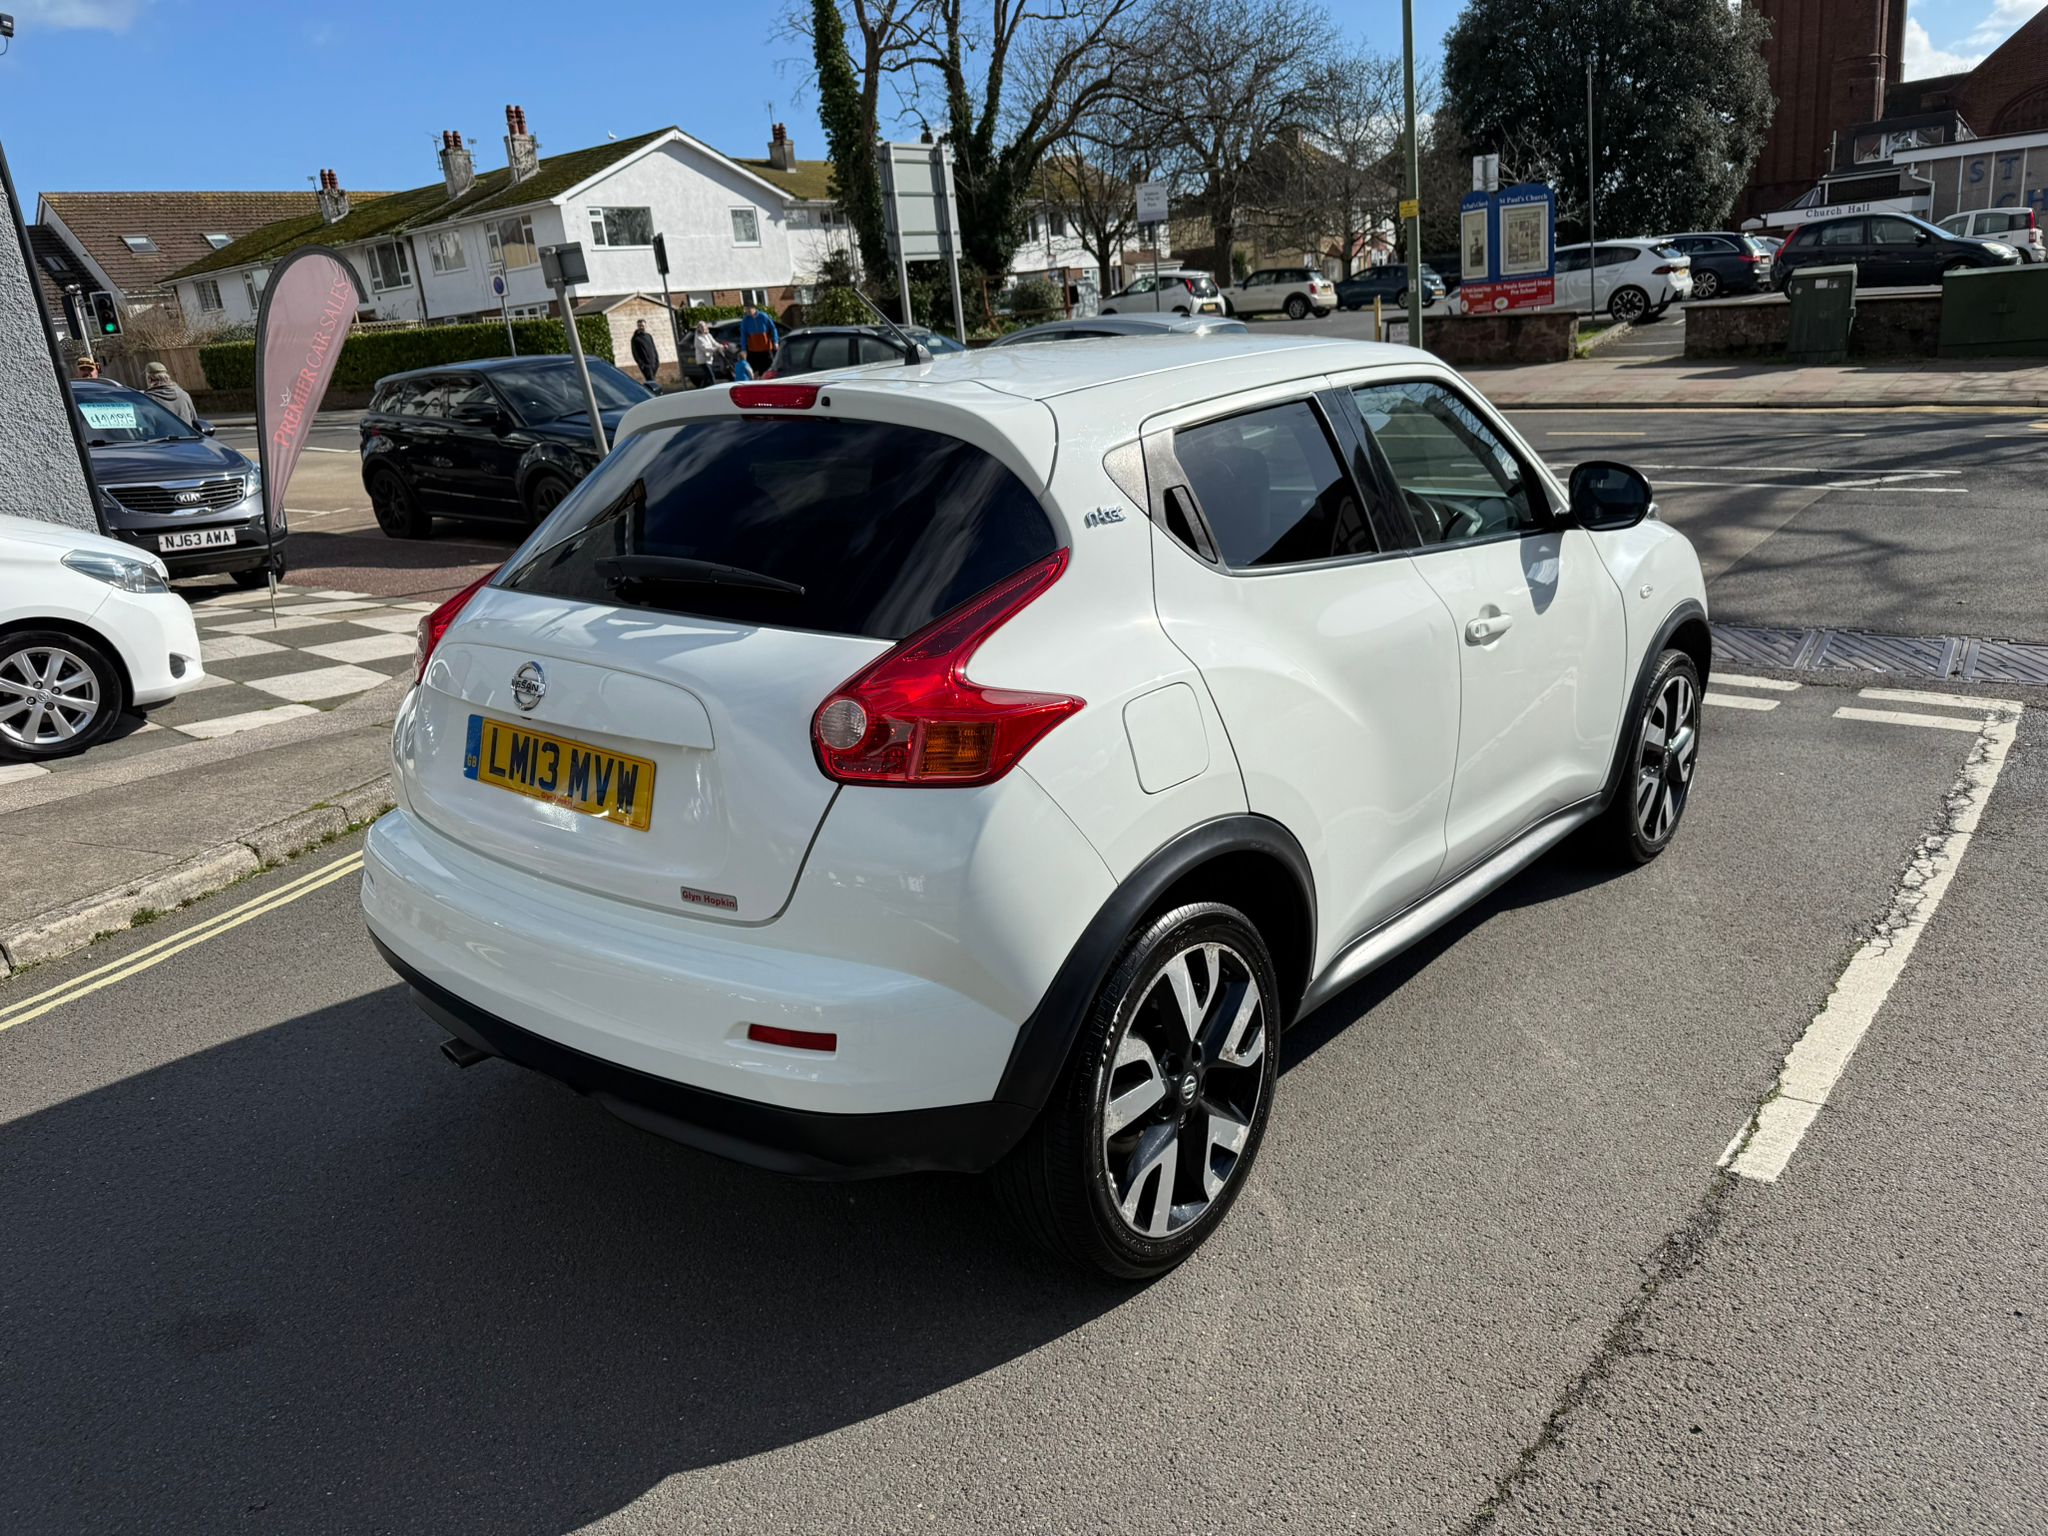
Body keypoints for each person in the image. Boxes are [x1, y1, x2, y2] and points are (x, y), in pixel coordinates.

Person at [143, 361, 199, 428]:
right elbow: (195, 422)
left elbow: (147, 427)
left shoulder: (148, 399)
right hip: (188, 437)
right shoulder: (184, 395)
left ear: (149, 379)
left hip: (161, 438)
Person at [737, 302, 778, 377]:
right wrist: (744, 349)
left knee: (768, 368)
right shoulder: (745, 320)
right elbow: (743, 335)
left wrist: (775, 341)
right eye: (746, 309)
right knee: (755, 370)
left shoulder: (763, 316)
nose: (747, 311)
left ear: (754, 308)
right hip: (753, 349)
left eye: (749, 309)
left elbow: (773, 329)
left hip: (766, 348)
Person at [688, 320, 722, 388]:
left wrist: (721, 346)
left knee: (707, 376)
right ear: (699, 328)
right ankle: (714, 388)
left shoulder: (708, 335)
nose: (703, 328)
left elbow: (714, 342)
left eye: (704, 327)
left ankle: (702, 387)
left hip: (709, 359)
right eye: (701, 327)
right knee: (711, 375)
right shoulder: (698, 338)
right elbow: (705, 348)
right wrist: (715, 349)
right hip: (702, 360)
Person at [629, 318, 660, 388]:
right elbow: (635, 354)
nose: (641, 327)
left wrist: (657, 361)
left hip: (654, 363)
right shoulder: (635, 339)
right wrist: (642, 364)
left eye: (642, 325)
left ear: (645, 326)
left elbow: (654, 348)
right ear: (637, 326)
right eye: (639, 326)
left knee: (652, 381)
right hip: (646, 365)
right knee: (651, 381)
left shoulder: (649, 336)